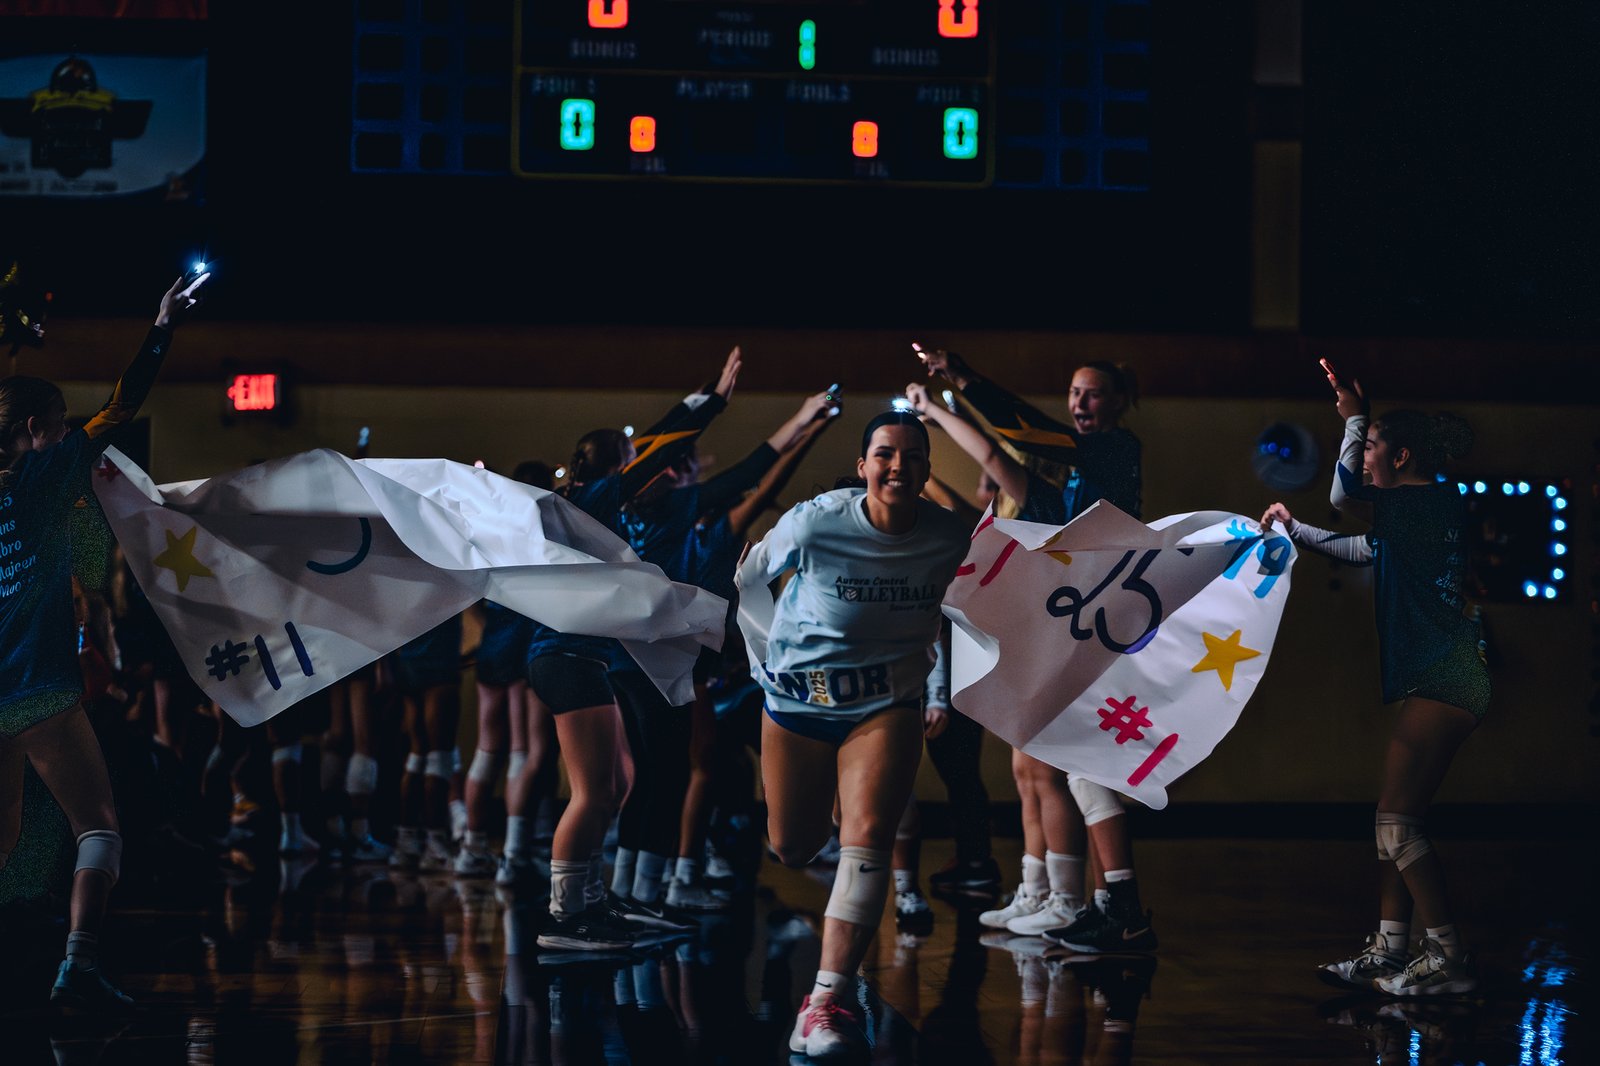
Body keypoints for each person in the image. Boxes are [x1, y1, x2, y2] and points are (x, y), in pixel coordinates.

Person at [0, 268, 207, 1011]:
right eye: (57, 424)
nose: (64, 434)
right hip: (45, 695)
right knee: (100, 829)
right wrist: (161, 327)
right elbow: (122, 408)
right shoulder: (50, 472)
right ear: (35, 432)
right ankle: (78, 967)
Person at [739, 410, 969, 1058]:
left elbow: (1032, 573)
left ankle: (826, 1002)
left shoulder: (952, 537)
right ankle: (831, 979)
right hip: (799, 698)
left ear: (927, 468)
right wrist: (765, 659)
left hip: (887, 703)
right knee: (792, 845)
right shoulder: (818, 521)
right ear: (865, 465)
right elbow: (749, 575)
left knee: (869, 834)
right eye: (886, 454)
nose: (899, 466)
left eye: (914, 456)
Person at [914, 348, 1158, 954]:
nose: (1080, 403)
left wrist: (963, 378)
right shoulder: (1070, 478)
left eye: (1093, 393)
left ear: (1120, 401)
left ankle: (1090, 902)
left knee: (1077, 769)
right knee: (1053, 770)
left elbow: (1020, 431)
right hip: (1064, 633)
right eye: (1074, 392)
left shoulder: (1116, 451)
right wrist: (936, 415)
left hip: (1098, 633)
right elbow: (1000, 458)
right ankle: (1081, 901)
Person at [1262, 359, 1486, 996]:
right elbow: (1360, 548)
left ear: (1403, 455)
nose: (1362, 457)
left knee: (1398, 823)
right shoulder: (1415, 512)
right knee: (1391, 818)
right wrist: (1293, 530)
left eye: (1373, 447)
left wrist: (1352, 414)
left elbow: (1341, 498)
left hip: (1449, 677)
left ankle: (1448, 958)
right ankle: (1392, 951)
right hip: (1441, 677)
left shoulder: (1425, 502)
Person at [521, 348, 740, 953]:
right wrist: (710, 400)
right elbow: (664, 448)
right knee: (594, 791)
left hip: (577, 657)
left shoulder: (586, 508)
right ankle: (565, 917)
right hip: (565, 657)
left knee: (619, 780)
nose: (638, 464)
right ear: (607, 466)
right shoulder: (587, 502)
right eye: (628, 458)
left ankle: (592, 898)